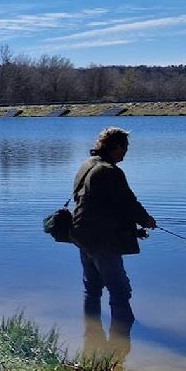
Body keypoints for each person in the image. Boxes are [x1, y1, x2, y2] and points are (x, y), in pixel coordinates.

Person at [70, 127, 156, 323]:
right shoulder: (109, 171)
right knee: (119, 289)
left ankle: (92, 337)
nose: (125, 153)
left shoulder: (87, 165)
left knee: (92, 288)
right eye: (124, 149)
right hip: (102, 239)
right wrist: (147, 220)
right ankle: (123, 332)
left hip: (81, 234)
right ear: (114, 147)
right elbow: (128, 203)